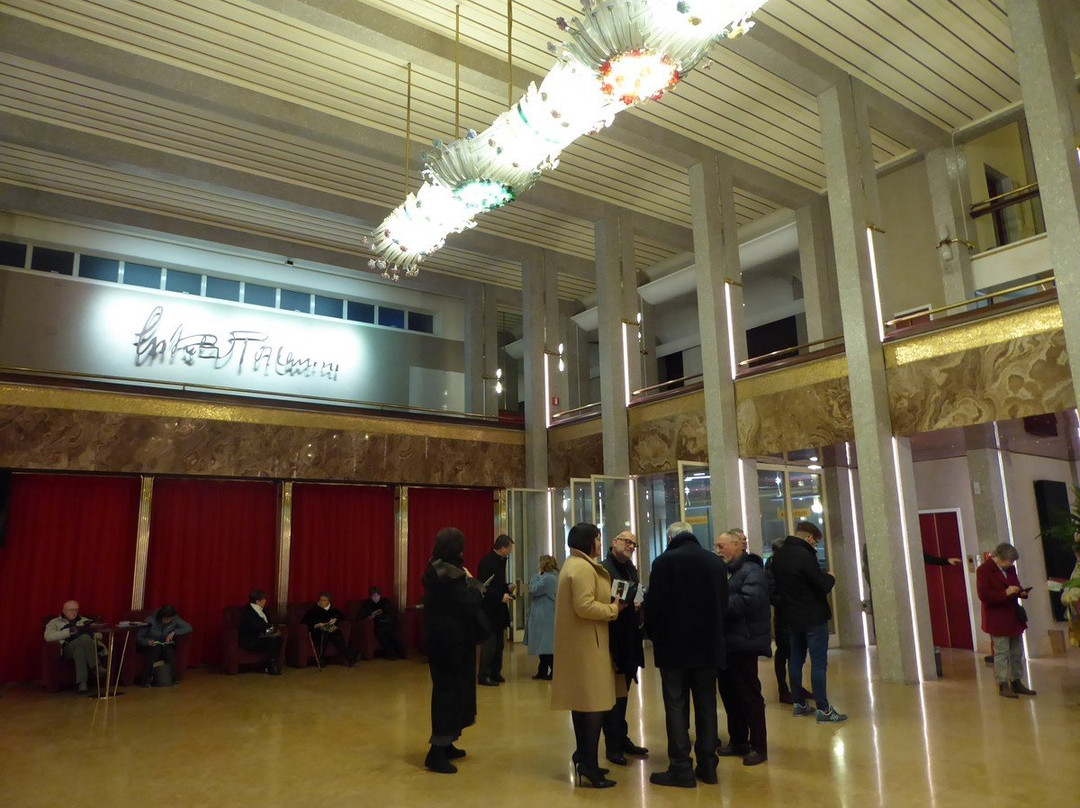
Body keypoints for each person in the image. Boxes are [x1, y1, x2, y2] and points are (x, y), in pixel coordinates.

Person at [644, 521, 728, 788]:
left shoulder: (664, 562)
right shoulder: (715, 563)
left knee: (676, 705)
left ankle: (681, 766)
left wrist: (655, 635)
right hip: (709, 647)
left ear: (671, 537)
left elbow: (654, 606)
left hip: (674, 649)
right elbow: (723, 604)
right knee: (706, 705)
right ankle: (708, 765)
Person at [551, 522, 625, 789]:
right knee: (593, 706)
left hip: (581, 644)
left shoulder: (574, 564)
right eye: (597, 538)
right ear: (588, 541)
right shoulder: (581, 568)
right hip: (586, 645)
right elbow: (584, 606)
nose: (599, 543)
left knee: (583, 705)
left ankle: (584, 759)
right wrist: (614, 609)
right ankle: (589, 765)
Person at [422, 527, 486, 774]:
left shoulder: (437, 568)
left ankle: (447, 742)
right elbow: (467, 603)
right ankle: (435, 752)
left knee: (453, 692)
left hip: (444, 642)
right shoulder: (449, 574)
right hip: (452, 644)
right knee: (448, 695)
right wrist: (475, 586)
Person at [769, 521, 847, 723]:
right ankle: (824, 709)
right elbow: (821, 586)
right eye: (815, 541)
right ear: (809, 538)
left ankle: (799, 704)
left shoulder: (778, 557)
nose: (815, 545)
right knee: (819, 663)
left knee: (795, 659)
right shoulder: (805, 555)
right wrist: (830, 577)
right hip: (813, 617)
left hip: (791, 617)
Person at [714, 530, 770, 767]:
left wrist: (718, 602)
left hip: (745, 643)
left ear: (737, 546)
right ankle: (738, 740)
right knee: (729, 694)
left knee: (749, 696)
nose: (718, 550)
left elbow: (751, 601)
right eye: (717, 546)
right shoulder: (726, 572)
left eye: (722, 546)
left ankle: (759, 746)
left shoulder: (752, 571)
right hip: (728, 644)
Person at [600, 530, 649, 765]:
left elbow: (633, 592)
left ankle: (622, 737)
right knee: (611, 695)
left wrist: (638, 602)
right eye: (627, 541)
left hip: (629, 636)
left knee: (623, 692)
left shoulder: (631, 568)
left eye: (634, 544)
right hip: (611, 637)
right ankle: (613, 745)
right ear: (614, 542)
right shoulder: (603, 569)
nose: (630, 546)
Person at [976, 543, 1036, 698]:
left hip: (1013, 615)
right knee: (1002, 652)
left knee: (1017, 651)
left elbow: (1015, 585)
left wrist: (1020, 592)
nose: (1011, 564)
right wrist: (1006, 592)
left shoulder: (1010, 569)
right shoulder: (984, 570)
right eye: (1010, 561)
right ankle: (1003, 683)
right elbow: (984, 595)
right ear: (1000, 558)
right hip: (997, 616)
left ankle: (1016, 681)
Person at [477, 534, 515, 686]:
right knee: (489, 644)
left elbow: (496, 584)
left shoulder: (499, 561)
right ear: (503, 548)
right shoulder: (487, 562)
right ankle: (484, 675)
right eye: (510, 548)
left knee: (499, 644)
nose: (511, 551)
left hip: (498, 609)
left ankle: (495, 672)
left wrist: (507, 587)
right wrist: (501, 596)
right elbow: (484, 586)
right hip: (489, 610)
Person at [43, 600, 102, 694]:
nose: (74, 612)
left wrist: (87, 633)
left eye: (76, 610)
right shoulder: (54, 622)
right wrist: (69, 632)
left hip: (83, 647)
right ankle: (96, 667)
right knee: (84, 638)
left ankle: (82, 684)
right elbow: (48, 637)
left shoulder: (84, 620)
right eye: (71, 610)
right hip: (66, 648)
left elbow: (100, 635)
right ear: (64, 610)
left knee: (80, 650)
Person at [136, 605, 192, 686]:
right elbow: (139, 637)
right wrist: (148, 641)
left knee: (168, 650)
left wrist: (174, 632)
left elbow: (188, 627)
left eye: (170, 619)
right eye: (166, 619)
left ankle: (173, 677)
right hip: (151, 644)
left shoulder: (174, 619)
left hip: (164, 643)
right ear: (161, 617)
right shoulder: (150, 620)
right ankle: (145, 679)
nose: (168, 621)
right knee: (156, 650)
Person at [526, 555, 558, 680]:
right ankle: (542, 671)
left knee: (546, 646)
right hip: (546, 615)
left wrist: (535, 576)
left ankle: (550, 671)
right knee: (544, 646)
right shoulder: (553, 577)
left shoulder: (547, 579)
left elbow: (534, 589)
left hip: (545, 616)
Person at [302, 592, 354, 667]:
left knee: (336, 633)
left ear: (329, 601)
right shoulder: (313, 611)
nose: (322, 602)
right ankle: (321, 658)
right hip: (317, 631)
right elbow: (304, 622)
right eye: (320, 600)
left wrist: (335, 619)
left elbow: (342, 617)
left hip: (330, 630)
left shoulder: (334, 610)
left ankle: (347, 657)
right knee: (324, 632)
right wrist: (315, 625)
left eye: (324, 600)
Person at [239, 589, 283, 675]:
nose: (265, 601)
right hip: (252, 638)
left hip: (262, 634)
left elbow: (268, 624)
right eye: (264, 599)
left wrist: (272, 630)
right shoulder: (249, 612)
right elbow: (258, 626)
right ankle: (271, 666)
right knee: (272, 640)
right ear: (258, 601)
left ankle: (273, 664)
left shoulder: (263, 610)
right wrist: (271, 630)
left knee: (278, 639)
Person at [358, 586, 405, 660]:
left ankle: (401, 653)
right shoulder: (367, 604)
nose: (376, 598)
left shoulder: (385, 602)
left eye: (377, 595)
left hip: (387, 623)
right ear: (371, 597)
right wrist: (371, 615)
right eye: (374, 596)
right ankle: (392, 653)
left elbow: (392, 614)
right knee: (381, 633)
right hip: (377, 625)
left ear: (380, 595)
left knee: (390, 633)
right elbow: (361, 617)